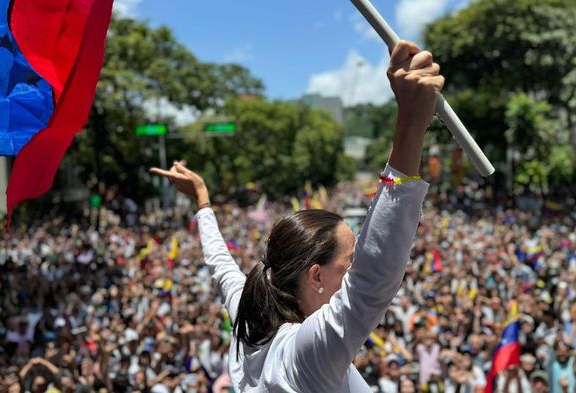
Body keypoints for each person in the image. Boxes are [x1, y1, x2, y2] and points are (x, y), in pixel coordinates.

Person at [150, 39, 443, 392]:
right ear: (315, 275)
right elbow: (374, 277)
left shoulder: (250, 319)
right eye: (351, 262)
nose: (357, 269)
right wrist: (410, 124)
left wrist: (202, 202)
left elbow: (220, 264)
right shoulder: (305, 354)